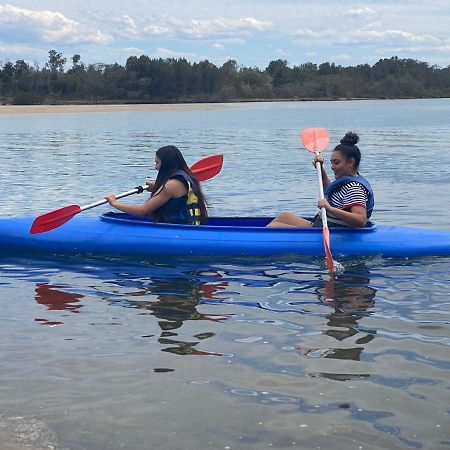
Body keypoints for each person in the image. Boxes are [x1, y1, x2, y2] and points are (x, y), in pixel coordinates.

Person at [267, 132, 374, 228]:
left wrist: (330, 209)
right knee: (284, 217)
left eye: (336, 162)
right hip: (322, 225)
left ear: (351, 162)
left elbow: (360, 220)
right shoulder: (346, 183)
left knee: (273, 227)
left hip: (336, 232)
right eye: (331, 162)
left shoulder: (354, 188)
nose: (332, 167)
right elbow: (329, 190)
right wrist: (320, 168)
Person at [105, 145, 208, 225]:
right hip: (191, 226)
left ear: (166, 164)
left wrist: (114, 203)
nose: (156, 167)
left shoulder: (171, 185)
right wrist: (158, 187)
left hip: (180, 230)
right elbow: (177, 194)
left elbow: (142, 211)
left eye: (157, 163)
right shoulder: (186, 177)